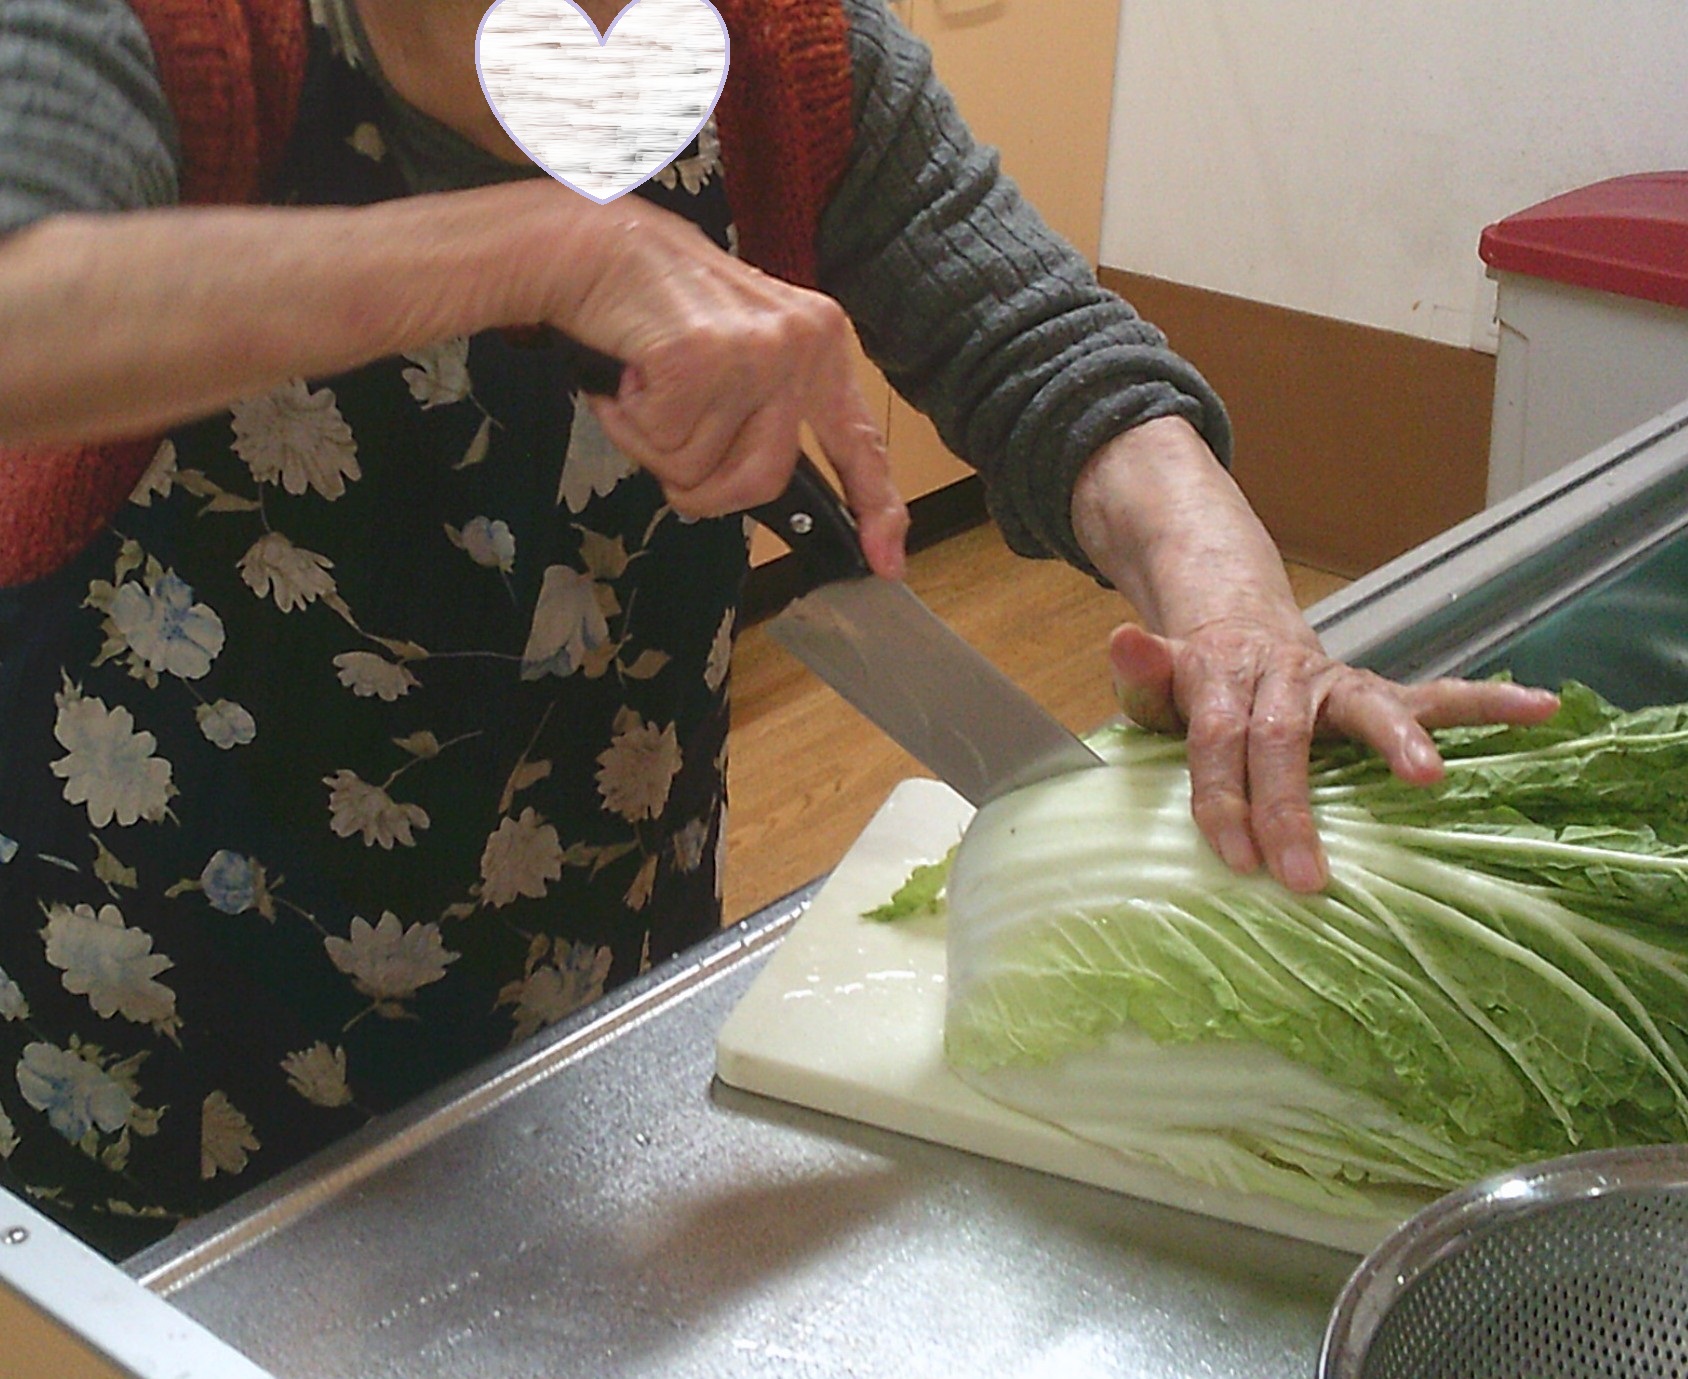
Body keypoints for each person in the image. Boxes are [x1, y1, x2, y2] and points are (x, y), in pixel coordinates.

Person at [0, 0, 1555, 1258]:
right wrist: (546, 247)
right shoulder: (176, 32)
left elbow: (1051, 356)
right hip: (147, 1015)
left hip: (591, 994)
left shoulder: (786, 52)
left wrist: (1233, 614)